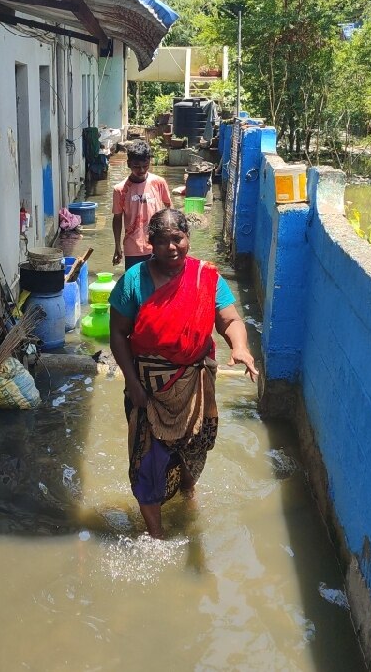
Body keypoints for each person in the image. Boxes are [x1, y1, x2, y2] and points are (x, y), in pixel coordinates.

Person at [108, 209, 259, 538]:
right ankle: (156, 535)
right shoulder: (133, 281)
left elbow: (230, 321)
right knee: (146, 460)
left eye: (177, 239)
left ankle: (188, 493)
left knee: (192, 448)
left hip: (194, 384)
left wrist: (240, 347)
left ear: (187, 238)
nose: (171, 247)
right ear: (150, 243)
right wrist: (133, 384)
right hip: (148, 388)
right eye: (162, 241)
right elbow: (117, 334)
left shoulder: (206, 278)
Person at [111, 140, 173, 270]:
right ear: (128, 164)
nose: (142, 170)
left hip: (157, 245)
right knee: (134, 285)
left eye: (145, 166)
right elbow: (117, 218)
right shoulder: (120, 190)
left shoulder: (159, 183)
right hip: (132, 247)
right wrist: (117, 245)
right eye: (136, 166)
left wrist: (172, 239)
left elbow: (170, 210)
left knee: (159, 285)